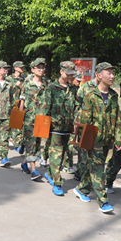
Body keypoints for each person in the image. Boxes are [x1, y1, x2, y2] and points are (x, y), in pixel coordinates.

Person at [73, 62, 118, 213]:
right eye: (108, 73)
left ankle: (82, 188)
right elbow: (85, 121)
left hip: (107, 139)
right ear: (99, 75)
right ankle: (103, 201)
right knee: (99, 169)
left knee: (93, 167)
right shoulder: (90, 95)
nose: (112, 76)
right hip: (94, 139)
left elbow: (117, 119)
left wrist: (117, 138)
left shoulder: (113, 95)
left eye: (113, 73)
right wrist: (85, 141)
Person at [44, 61, 78, 196]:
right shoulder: (51, 87)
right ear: (61, 71)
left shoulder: (73, 89)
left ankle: (49, 172)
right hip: (54, 127)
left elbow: (76, 107)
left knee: (62, 154)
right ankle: (57, 183)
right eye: (68, 73)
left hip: (67, 127)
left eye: (72, 74)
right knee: (56, 156)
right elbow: (46, 107)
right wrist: (43, 127)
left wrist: (75, 125)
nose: (70, 76)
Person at [19, 58, 51, 180]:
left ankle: (24, 163)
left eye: (43, 68)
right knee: (31, 143)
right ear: (33, 70)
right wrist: (20, 118)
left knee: (37, 145)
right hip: (29, 119)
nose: (41, 70)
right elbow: (22, 100)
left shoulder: (47, 83)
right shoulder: (27, 83)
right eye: (39, 68)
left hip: (42, 119)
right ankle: (34, 170)